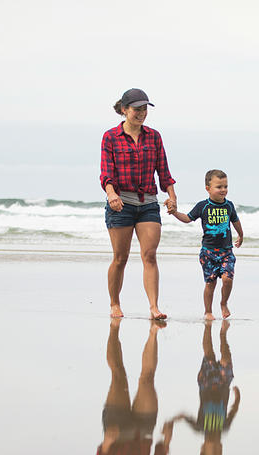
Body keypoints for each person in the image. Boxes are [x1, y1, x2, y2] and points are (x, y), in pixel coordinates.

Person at [100, 88, 177, 320]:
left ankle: (154, 308)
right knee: (120, 258)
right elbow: (106, 174)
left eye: (145, 109)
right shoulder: (110, 137)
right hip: (120, 204)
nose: (142, 113)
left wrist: (172, 196)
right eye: (137, 109)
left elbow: (164, 172)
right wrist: (112, 194)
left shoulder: (154, 136)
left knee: (150, 255)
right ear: (124, 110)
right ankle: (115, 303)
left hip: (148, 204)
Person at [96, 320, 176, 455]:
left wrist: (107, 442)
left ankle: (115, 331)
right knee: (147, 380)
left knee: (118, 375)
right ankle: (153, 333)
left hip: (117, 431)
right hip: (143, 430)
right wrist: (166, 439)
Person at [166, 169, 243, 320]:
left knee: (228, 279)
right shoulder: (203, 206)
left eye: (225, 186)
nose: (223, 190)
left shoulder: (229, 206)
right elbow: (187, 218)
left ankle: (223, 303)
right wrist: (175, 212)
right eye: (219, 187)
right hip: (208, 252)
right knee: (210, 283)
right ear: (208, 188)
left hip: (226, 251)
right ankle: (208, 311)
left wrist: (241, 234)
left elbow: (235, 221)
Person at [173, 320, 241, 455]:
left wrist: (177, 418)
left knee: (208, 354)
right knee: (226, 358)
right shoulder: (224, 427)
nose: (216, 446)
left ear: (203, 447)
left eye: (213, 450)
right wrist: (238, 398)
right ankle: (223, 336)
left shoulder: (199, 427)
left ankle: (208, 329)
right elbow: (232, 412)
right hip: (223, 383)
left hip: (206, 384)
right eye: (218, 450)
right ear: (221, 447)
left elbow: (186, 417)